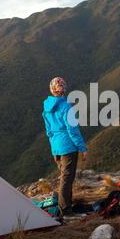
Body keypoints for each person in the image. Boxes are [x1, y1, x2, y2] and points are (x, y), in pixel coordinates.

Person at [42, 77, 87, 216]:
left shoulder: (46, 107)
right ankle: (66, 211)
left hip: (56, 148)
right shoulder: (67, 106)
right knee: (67, 179)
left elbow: (49, 131)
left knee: (65, 178)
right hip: (68, 147)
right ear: (64, 89)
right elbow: (72, 130)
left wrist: (55, 147)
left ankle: (67, 205)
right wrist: (83, 148)